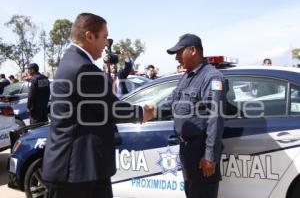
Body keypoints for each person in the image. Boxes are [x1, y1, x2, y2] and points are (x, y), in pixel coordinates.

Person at [42, 13, 154, 198]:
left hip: (79, 168)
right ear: (89, 36)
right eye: (104, 37)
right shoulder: (83, 68)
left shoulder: (71, 60)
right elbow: (110, 109)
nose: (106, 44)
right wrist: (143, 112)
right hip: (76, 172)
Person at [158, 34, 226, 198]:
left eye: (179, 53)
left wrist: (209, 155)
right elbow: (171, 103)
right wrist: (147, 111)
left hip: (200, 149)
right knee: (192, 193)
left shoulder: (211, 77)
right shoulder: (186, 77)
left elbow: (214, 117)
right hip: (187, 149)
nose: (176, 58)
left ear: (193, 50)